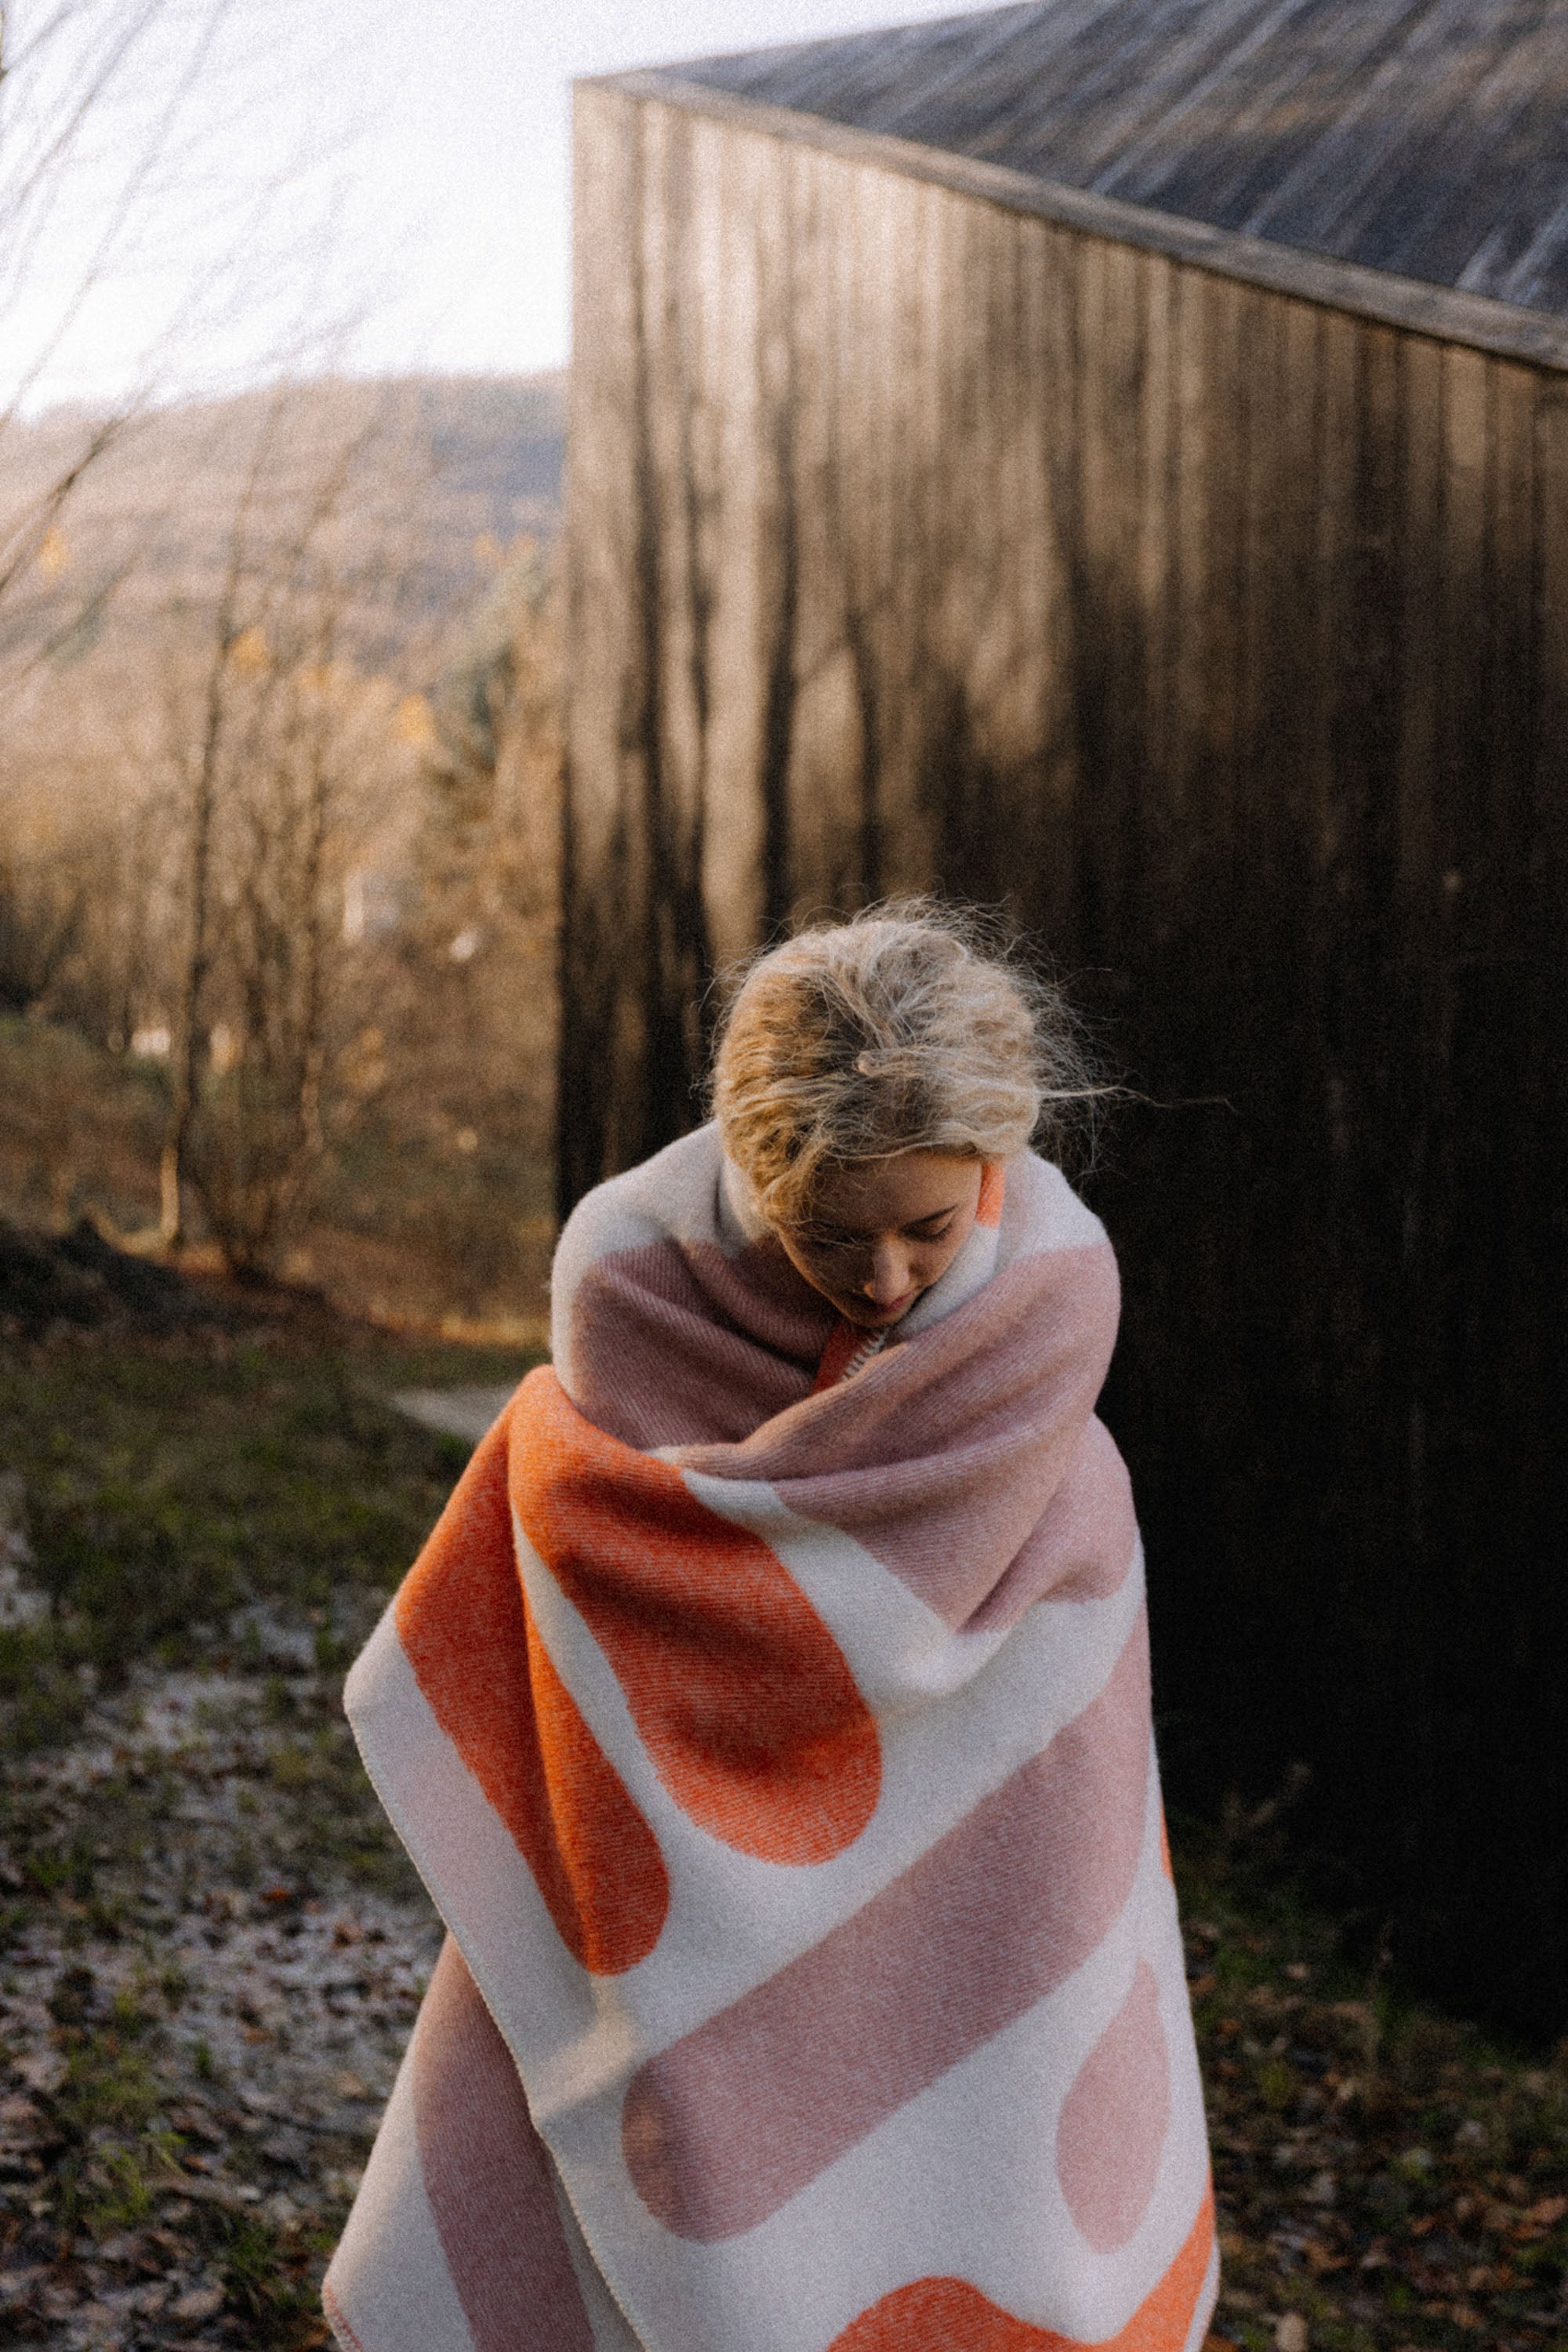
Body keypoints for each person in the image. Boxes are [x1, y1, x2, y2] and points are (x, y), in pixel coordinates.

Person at [325, 903, 1217, 2352]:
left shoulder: (1048, 1301)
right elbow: (628, 1572)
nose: (886, 1282)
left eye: (929, 1230)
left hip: (998, 1837)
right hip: (676, 1831)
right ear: (757, 1166)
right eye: (833, 1234)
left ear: (991, 1170)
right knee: (669, 2162)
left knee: (990, 2143)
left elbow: (1057, 1597)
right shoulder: (633, 1282)